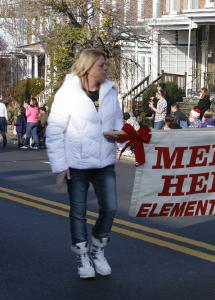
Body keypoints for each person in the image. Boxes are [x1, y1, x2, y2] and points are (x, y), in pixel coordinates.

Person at [46, 48, 123, 279]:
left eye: (106, 65)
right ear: (88, 67)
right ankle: (82, 255)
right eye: (102, 65)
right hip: (77, 164)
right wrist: (60, 166)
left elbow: (118, 118)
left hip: (104, 162)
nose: (106, 68)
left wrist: (118, 134)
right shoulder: (68, 93)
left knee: (110, 208)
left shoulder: (110, 91)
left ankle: (98, 249)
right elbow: (55, 130)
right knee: (78, 213)